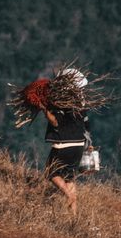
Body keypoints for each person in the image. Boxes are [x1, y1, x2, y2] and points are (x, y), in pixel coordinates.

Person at [37, 68, 91, 212]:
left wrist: (44, 109)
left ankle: (68, 196)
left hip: (63, 144)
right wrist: (89, 144)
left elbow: (55, 122)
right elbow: (86, 125)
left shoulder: (60, 101)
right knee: (69, 178)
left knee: (51, 172)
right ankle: (73, 215)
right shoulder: (81, 103)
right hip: (79, 144)